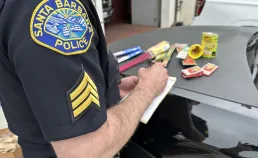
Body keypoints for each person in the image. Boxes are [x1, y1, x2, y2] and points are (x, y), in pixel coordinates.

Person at [0, 0, 168, 157]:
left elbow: (43, 87)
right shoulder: (54, 9)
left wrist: (110, 90)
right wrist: (147, 89)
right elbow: (86, 150)